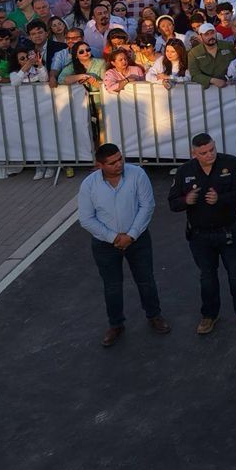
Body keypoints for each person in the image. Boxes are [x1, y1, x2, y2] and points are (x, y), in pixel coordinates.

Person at [77, 143, 169, 346]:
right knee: (112, 286)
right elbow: (86, 218)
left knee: (145, 280)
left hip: (138, 240)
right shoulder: (88, 185)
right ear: (99, 165)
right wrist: (114, 238)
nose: (119, 164)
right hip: (104, 245)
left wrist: (132, 235)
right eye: (112, 162)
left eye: (120, 159)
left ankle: (154, 315)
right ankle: (115, 324)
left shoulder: (137, 175)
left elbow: (147, 205)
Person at [167, 132, 236, 336]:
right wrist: (185, 201)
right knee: (207, 276)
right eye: (203, 152)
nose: (209, 155)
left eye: (212, 149)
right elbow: (172, 202)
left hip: (229, 230)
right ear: (194, 153)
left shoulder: (231, 163)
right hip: (200, 235)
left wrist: (221, 198)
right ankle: (209, 315)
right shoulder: (184, 171)